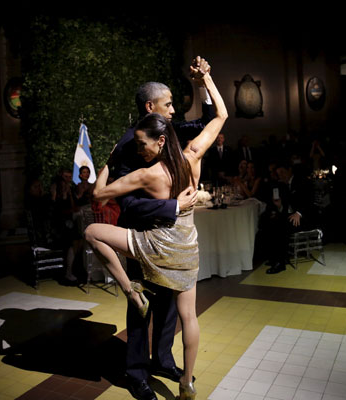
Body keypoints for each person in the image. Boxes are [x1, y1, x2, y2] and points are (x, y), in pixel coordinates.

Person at [85, 63, 227, 400]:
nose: (175, 110)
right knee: (141, 311)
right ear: (151, 108)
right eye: (169, 104)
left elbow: (210, 119)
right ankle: (136, 373)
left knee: (167, 311)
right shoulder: (128, 146)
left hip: (172, 239)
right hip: (144, 235)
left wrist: (203, 82)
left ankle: (162, 359)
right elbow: (129, 205)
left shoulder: (171, 135)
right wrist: (174, 207)